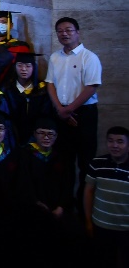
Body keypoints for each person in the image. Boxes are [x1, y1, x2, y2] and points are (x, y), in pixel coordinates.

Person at [48, 16, 102, 184]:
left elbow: (91, 87)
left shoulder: (89, 57)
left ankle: (83, 199)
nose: (64, 34)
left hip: (83, 113)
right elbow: (50, 84)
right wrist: (60, 109)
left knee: (85, 160)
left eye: (68, 30)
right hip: (60, 112)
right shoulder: (54, 57)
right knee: (63, 160)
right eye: (60, 31)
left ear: (77, 32)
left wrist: (68, 110)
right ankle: (65, 198)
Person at [85, 125, 129, 268]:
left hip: (126, 228)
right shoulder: (97, 163)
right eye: (110, 141)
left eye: (120, 141)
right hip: (101, 225)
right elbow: (88, 192)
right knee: (103, 265)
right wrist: (88, 221)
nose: (114, 145)